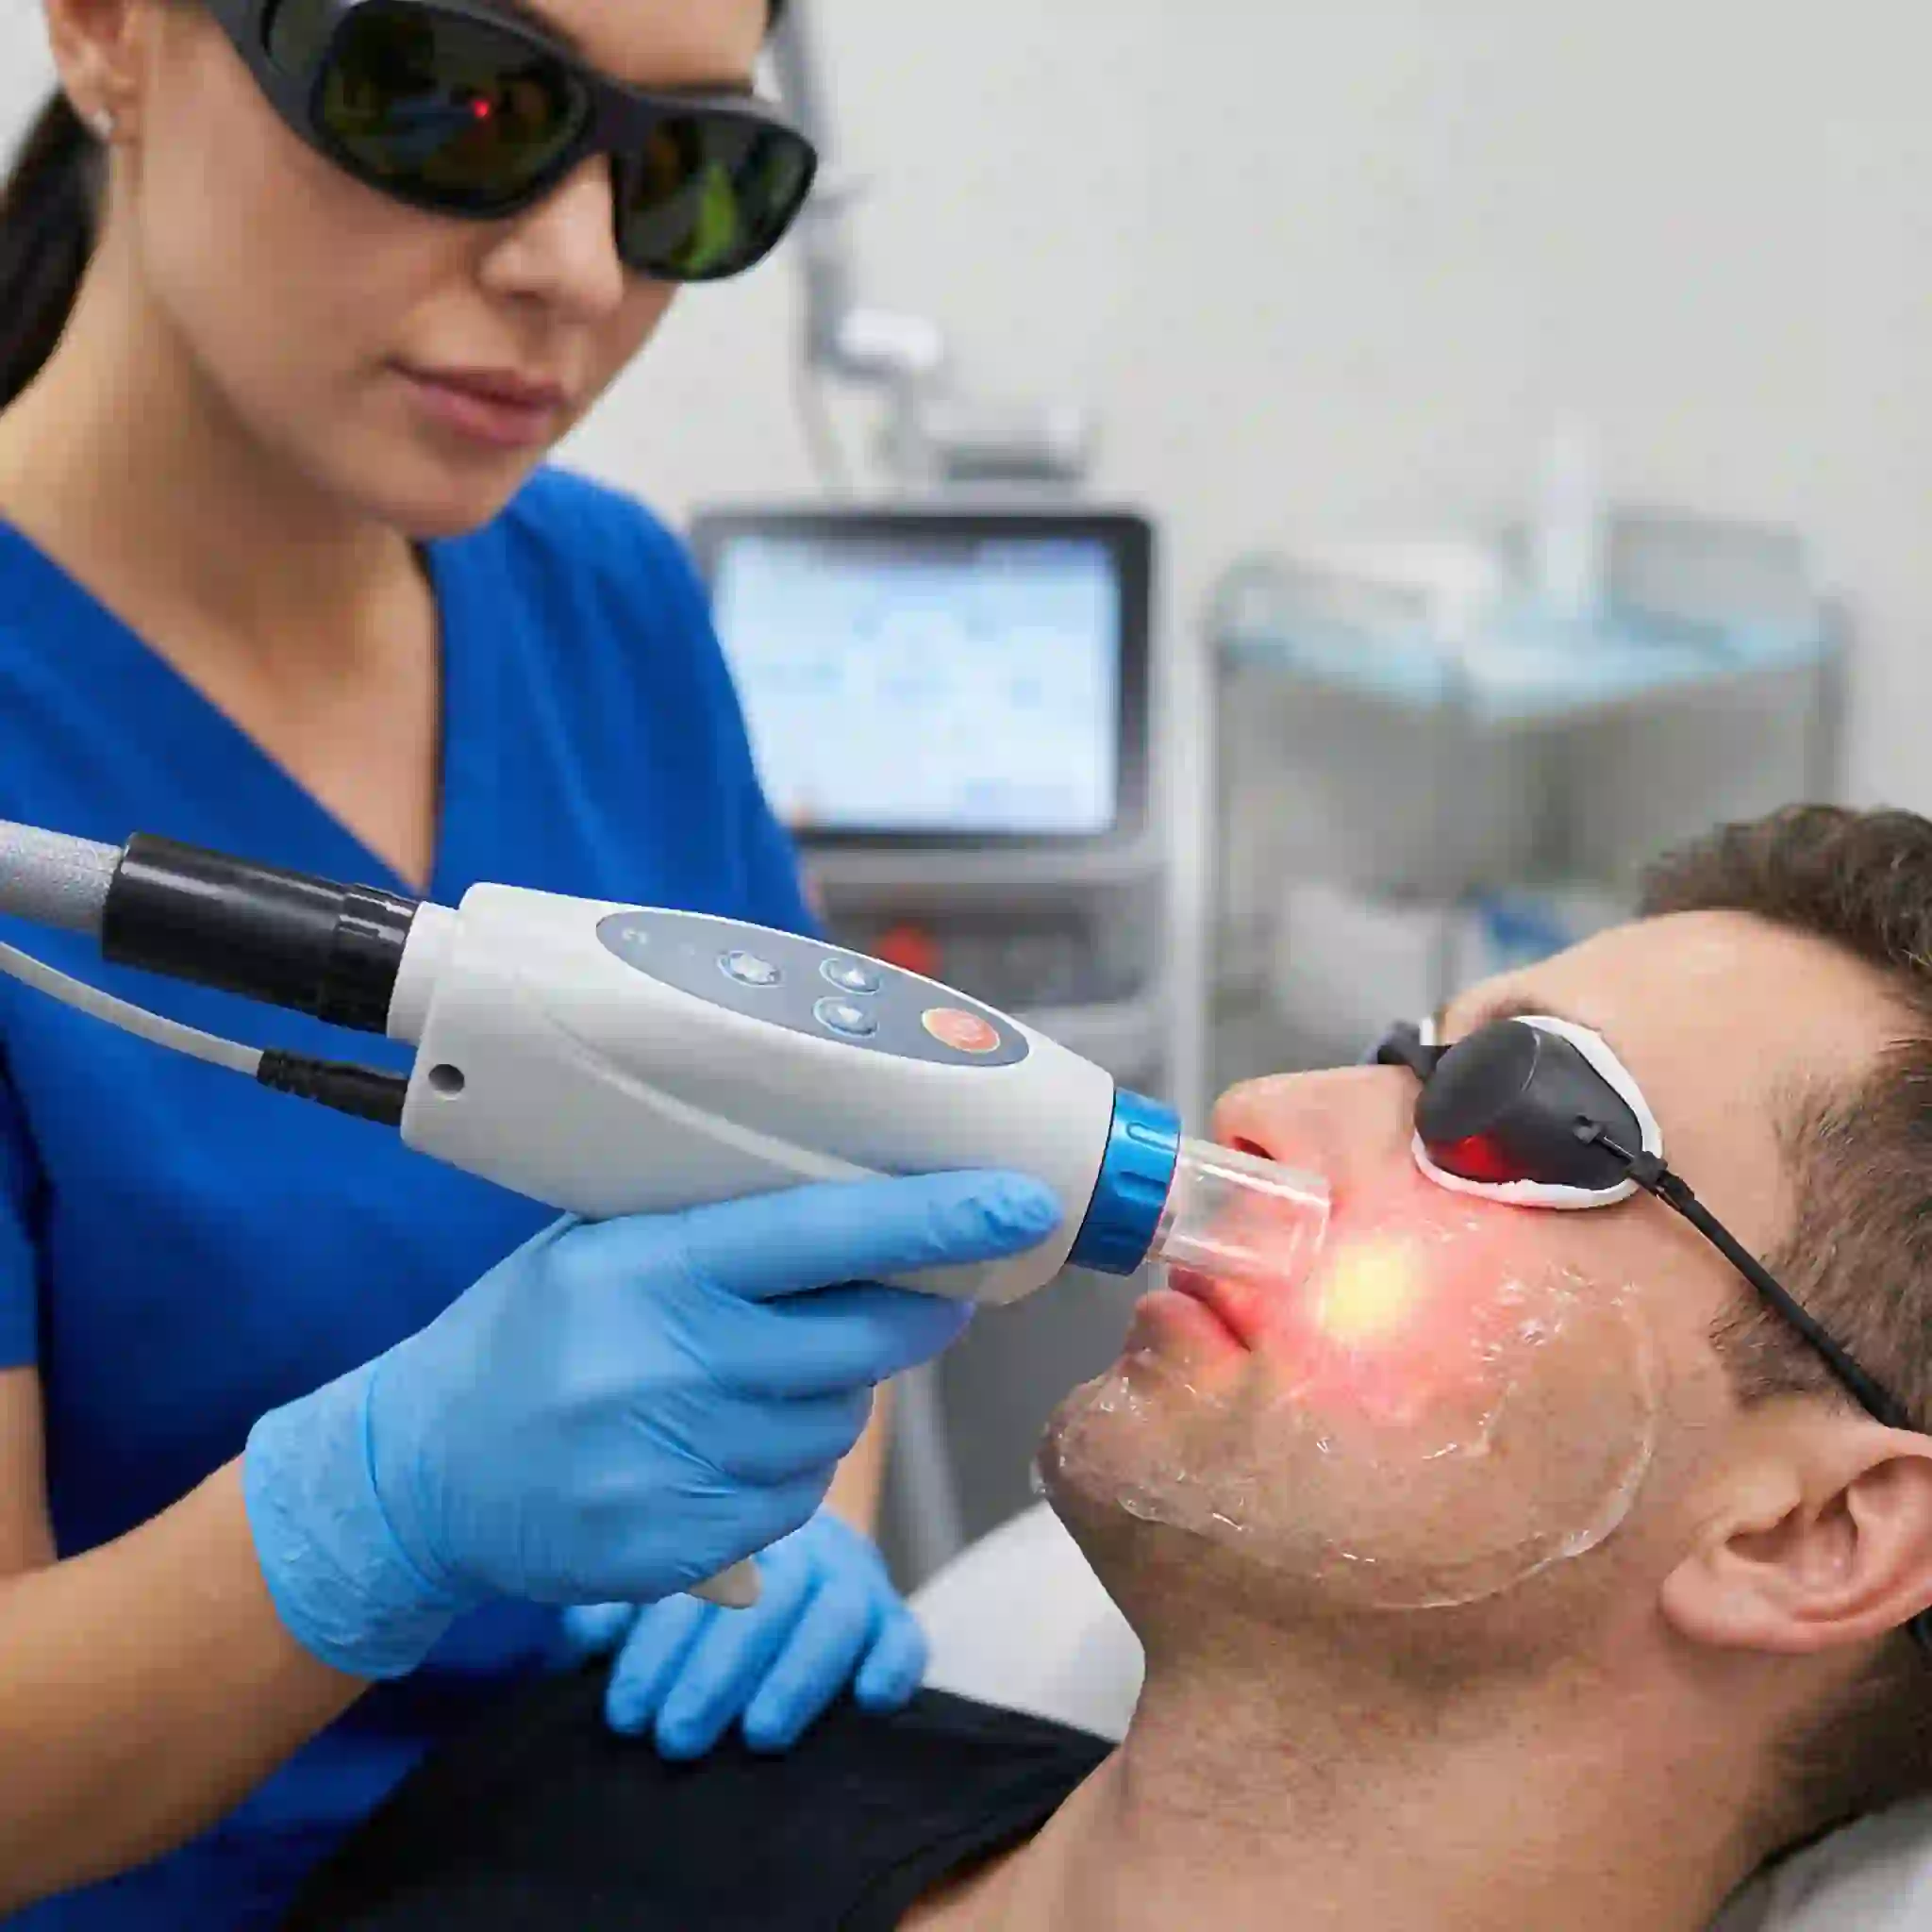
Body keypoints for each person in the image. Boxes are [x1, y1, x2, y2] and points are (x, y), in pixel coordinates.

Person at [0, 0, 1025, 1922]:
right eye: (452, 101)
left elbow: (811, 1198)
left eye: (683, 173)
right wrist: (364, 1520)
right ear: (111, 31)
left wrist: (779, 1524)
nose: (577, 270)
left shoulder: (609, 604)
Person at [277, 803, 1932, 1932]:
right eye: (1403, 1054)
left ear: (1815, 1533)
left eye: (1520, 1112)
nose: (1262, 1111)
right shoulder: (633, 1773)